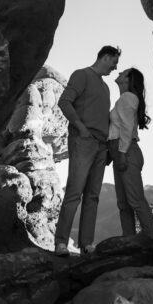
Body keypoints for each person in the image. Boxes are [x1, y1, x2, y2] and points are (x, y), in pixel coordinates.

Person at [54, 45, 121, 256]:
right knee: (74, 193)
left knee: (93, 196)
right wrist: (81, 128)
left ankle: (86, 244)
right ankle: (61, 243)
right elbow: (64, 102)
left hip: (101, 146)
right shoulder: (81, 75)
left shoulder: (106, 88)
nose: (115, 68)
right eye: (114, 62)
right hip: (83, 141)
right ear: (105, 57)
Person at [108, 67, 153, 239]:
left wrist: (122, 153)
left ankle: (152, 240)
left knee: (135, 200)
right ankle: (129, 241)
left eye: (123, 73)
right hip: (120, 151)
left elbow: (128, 127)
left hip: (126, 152)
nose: (119, 73)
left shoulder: (127, 97)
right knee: (123, 204)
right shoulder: (124, 99)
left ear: (128, 80)